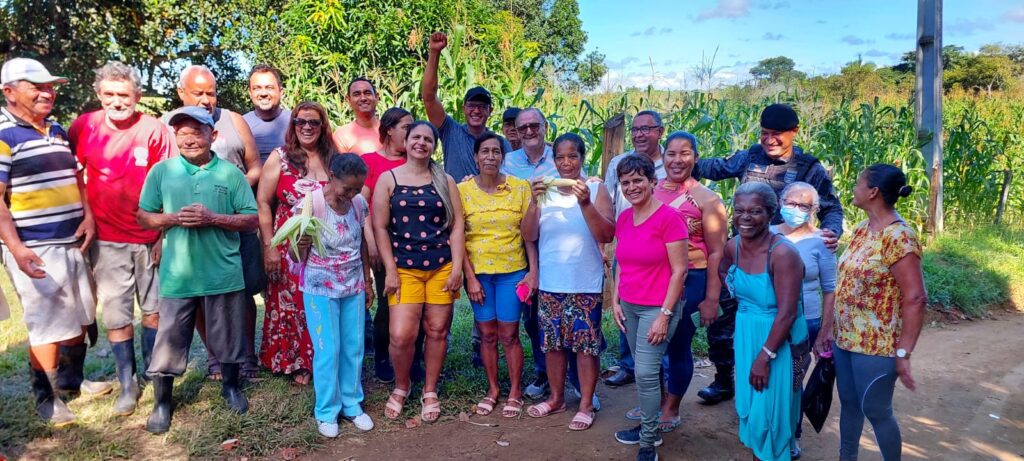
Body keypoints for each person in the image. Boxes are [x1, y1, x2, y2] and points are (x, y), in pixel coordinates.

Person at [693, 103, 844, 406]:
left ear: (794, 132)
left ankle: (784, 393)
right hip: (743, 257)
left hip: (782, 262)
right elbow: (711, 168)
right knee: (724, 321)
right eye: (764, 134)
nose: (770, 140)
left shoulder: (809, 167)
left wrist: (831, 232)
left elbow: (831, 207)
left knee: (780, 323)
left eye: (777, 134)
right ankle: (724, 380)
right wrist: (677, 158)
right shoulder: (749, 157)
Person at [138, 106, 259, 434]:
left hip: (223, 271)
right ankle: (163, 402)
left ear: (213, 136)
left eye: (197, 132)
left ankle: (231, 387)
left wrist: (213, 218)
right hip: (178, 275)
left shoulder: (231, 175)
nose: (189, 139)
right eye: (182, 133)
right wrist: (172, 218)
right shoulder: (161, 172)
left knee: (229, 335)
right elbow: (145, 215)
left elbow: (251, 219)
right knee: (170, 339)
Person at [0, 57, 104, 426]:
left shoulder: (56, 129)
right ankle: (47, 397)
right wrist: (16, 247)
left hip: (72, 239)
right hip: (35, 245)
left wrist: (89, 215)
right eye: (37, 87)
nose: (48, 93)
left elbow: (76, 178)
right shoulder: (3, 133)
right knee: (46, 322)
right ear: (9, 92)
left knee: (80, 314)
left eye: (50, 86)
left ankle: (73, 381)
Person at [68, 61, 174, 416]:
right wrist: (87, 215)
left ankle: (151, 374)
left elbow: (168, 184)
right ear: (99, 94)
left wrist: (163, 232)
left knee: (154, 311)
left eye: (124, 95)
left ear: (137, 96)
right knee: (116, 314)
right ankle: (127, 385)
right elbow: (72, 174)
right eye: (109, 95)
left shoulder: (154, 130)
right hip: (108, 239)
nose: (116, 101)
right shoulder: (84, 126)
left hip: (149, 237)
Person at [817, 164, 925, 461]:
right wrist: (829, 329)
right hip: (846, 339)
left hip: (877, 345)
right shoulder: (864, 229)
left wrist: (903, 352)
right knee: (850, 404)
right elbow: (843, 283)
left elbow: (915, 297)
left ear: (873, 192)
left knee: (877, 410)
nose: (853, 189)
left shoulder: (899, 236)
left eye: (858, 184)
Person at [172, 64, 263, 380]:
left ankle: (247, 356)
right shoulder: (169, 127)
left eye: (211, 92)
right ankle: (214, 357)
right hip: (192, 229)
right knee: (199, 292)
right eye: (198, 93)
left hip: (237, 220)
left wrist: (235, 190)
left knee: (244, 289)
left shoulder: (233, 120)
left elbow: (255, 167)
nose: (206, 99)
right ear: (181, 93)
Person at [635, 131, 728, 433]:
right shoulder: (651, 190)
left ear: (696, 157)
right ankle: (655, 399)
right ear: (663, 157)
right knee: (649, 344)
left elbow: (716, 252)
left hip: (691, 279)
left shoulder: (707, 199)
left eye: (685, 153)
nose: (677, 160)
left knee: (677, 344)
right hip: (652, 280)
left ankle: (671, 407)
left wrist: (712, 298)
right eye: (671, 154)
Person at [373, 121, 465, 423]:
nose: (421, 143)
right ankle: (402, 386)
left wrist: (457, 267)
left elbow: (457, 225)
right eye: (416, 137)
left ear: (433, 145)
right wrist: (389, 269)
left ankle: (429, 389)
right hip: (403, 268)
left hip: (441, 267)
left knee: (437, 331)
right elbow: (380, 227)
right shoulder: (388, 179)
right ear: (406, 141)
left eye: (428, 139)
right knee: (400, 335)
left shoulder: (444, 180)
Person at [521, 133, 614, 430]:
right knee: (553, 345)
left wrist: (585, 203)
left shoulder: (596, 189)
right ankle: (557, 398)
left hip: (584, 282)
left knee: (586, 347)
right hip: (551, 282)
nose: (566, 163)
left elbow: (606, 234)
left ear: (582, 158)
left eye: (572, 156)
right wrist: (534, 202)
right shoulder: (544, 191)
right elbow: (528, 234)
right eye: (560, 157)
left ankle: (586, 403)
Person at [608, 155, 688, 461]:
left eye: (638, 180)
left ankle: (649, 441)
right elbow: (621, 264)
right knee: (649, 373)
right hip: (629, 305)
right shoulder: (625, 219)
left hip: (658, 307)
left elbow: (680, 271)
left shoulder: (670, 218)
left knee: (643, 372)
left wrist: (665, 316)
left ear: (652, 182)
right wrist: (615, 301)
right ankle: (648, 426)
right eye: (625, 182)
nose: (632, 187)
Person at [720, 181, 805, 461]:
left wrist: (764, 357)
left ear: (771, 214)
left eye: (755, 211)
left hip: (776, 339)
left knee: (769, 415)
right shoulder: (732, 247)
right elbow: (723, 272)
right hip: (746, 332)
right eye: (739, 210)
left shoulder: (783, 254)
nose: (745, 217)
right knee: (751, 406)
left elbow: (788, 312)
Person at [292, 153, 375, 437]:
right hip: (320, 287)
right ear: (331, 176)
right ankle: (326, 411)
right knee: (329, 349)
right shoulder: (311, 203)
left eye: (357, 189)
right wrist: (300, 243)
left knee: (353, 345)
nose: (351, 194)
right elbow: (294, 253)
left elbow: (362, 241)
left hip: (352, 284)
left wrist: (367, 280)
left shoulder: (359, 204)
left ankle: (352, 404)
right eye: (347, 188)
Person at [459, 133, 537, 418]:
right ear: (476, 157)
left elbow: (529, 236)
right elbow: (458, 236)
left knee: (509, 334)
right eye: (485, 151)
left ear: (503, 157)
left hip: (511, 272)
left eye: (496, 151)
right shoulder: (462, 190)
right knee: (487, 334)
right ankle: (493, 390)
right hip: (480, 275)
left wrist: (533, 273)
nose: (491, 156)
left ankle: (515, 391)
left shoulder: (519, 188)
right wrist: (470, 278)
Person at [257, 101, 335, 385]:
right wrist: (269, 246)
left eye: (313, 122)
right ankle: (295, 361)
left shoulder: (332, 158)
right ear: (292, 125)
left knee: (321, 303)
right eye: (300, 122)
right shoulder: (280, 157)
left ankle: (323, 358)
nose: (306, 127)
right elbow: (263, 203)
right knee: (293, 301)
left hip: (326, 245)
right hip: (289, 248)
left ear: (322, 126)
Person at [772, 181, 837, 458]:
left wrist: (825, 330)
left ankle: (792, 434)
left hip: (805, 320)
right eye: (791, 203)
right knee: (772, 378)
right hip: (770, 319)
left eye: (803, 205)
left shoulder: (823, 241)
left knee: (794, 379)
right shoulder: (768, 234)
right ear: (780, 202)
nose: (795, 209)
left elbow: (830, 289)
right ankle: (770, 431)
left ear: (814, 210)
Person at [361, 107, 425, 384]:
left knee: (419, 305)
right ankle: (384, 357)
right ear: (389, 129)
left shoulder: (416, 159)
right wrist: (372, 241)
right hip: (384, 245)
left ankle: (415, 358)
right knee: (390, 302)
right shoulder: (370, 163)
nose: (412, 135)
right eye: (405, 128)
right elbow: (361, 206)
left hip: (416, 246)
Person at [603, 110, 667, 389]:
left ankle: (659, 371)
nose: (640, 134)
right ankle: (628, 365)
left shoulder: (671, 163)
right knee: (625, 307)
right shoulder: (618, 163)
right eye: (636, 129)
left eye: (647, 129)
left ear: (660, 132)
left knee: (656, 309)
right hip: (626, 246)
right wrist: (606, 244)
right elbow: (607, 200)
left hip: (659, 249)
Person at [497, 107, 556, 399]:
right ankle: (545, 372)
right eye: (523, 128)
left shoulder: (562, 157)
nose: (529, 131)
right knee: (533, 317)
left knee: (564, 312)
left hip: (559, 246)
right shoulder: (508, 162)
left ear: (545, 126)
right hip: (523, 247)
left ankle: (574, 377)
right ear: (516, 133)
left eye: (534, 125)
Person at [421, 31, 511, 182]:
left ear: (490, 111)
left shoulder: (501, 143)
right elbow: (429, 97)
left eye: (482, 107)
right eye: (472, 105)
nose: (476, 110)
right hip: (456, 202)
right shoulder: (450, 131)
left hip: (491, 204)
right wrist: (434, 53)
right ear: (463, 108)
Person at [243, 64, 290, 164]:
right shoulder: (241, 124)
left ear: (281, 92)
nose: (263, 93)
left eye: (269, 88)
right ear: (250, 93)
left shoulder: (297, 122)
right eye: (257, 88)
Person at [333, 77, 382, 155]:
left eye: (367, 93)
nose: (363, 98)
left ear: (376, 97)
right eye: (357, 94)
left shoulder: (390, 130)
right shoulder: (342, 136)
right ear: (348, 100)